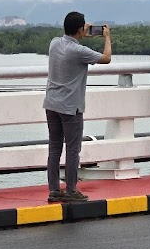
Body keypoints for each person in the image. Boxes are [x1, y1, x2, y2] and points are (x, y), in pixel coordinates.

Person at [43, 12, 111, 203]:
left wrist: (82, 33)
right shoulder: (79, 51)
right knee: (73, 150)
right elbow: (106, 58)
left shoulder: (54, 43)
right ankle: (71, 189)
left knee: (54, 149)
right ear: (81, 29)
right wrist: (106, 37)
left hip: (51, 104)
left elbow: (71, 37)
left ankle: (54, 190)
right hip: (70, 106)